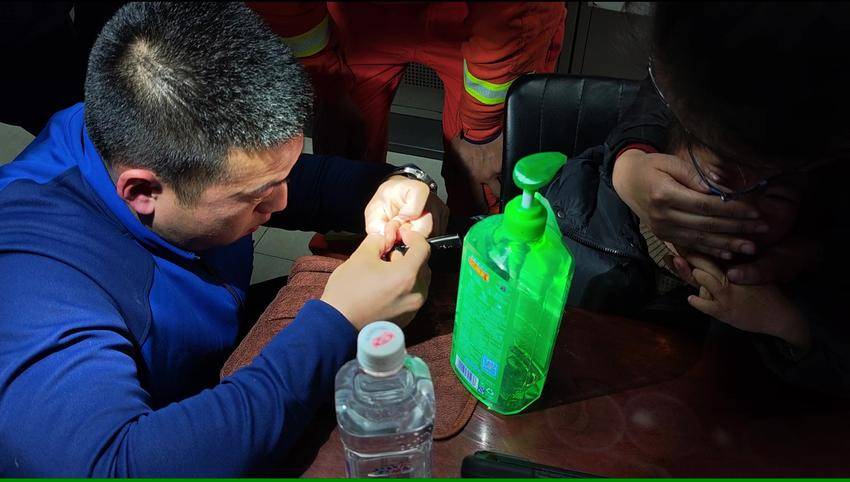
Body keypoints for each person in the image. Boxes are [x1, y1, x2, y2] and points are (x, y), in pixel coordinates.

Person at [0, 2, 446, 476]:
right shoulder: (32, 284)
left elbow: (297, 182)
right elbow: (121, 466)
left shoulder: (152, 136)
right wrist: (338, 323)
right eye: (256, 196)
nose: (281, 202)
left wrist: (400, 183)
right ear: (143, 192)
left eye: (283, 176)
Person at [541, 2, 849, 395]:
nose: (740, 205)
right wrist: (628, 159)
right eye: (717, 178)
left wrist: (790, 322)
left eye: (776, 192)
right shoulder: (579, 211)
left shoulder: (778, 292)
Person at [248, 2, 567, 217]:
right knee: (345, 160)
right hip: (361, 16)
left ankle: (477, 265)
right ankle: (343, 265)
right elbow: (285, 9)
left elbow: (513, 16)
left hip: (493, 19)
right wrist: (329, 85)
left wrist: (483, 131)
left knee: (484, 179)